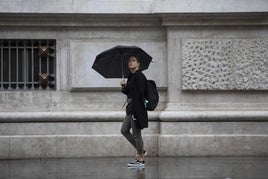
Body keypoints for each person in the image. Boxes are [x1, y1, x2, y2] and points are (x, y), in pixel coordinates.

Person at [120, 55, 148, 168]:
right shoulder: (131, 76)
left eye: (133, 60)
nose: (130, 62)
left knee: (137, 135)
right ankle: (141, 150)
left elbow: (141, 95)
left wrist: (136, 111)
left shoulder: (140, 76)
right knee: (124, 130)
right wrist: (123, 87)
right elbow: (130, 92)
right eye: (129, 61)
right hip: (131, 108)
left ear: (138, 64)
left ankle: (140, 159)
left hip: (136, 108)